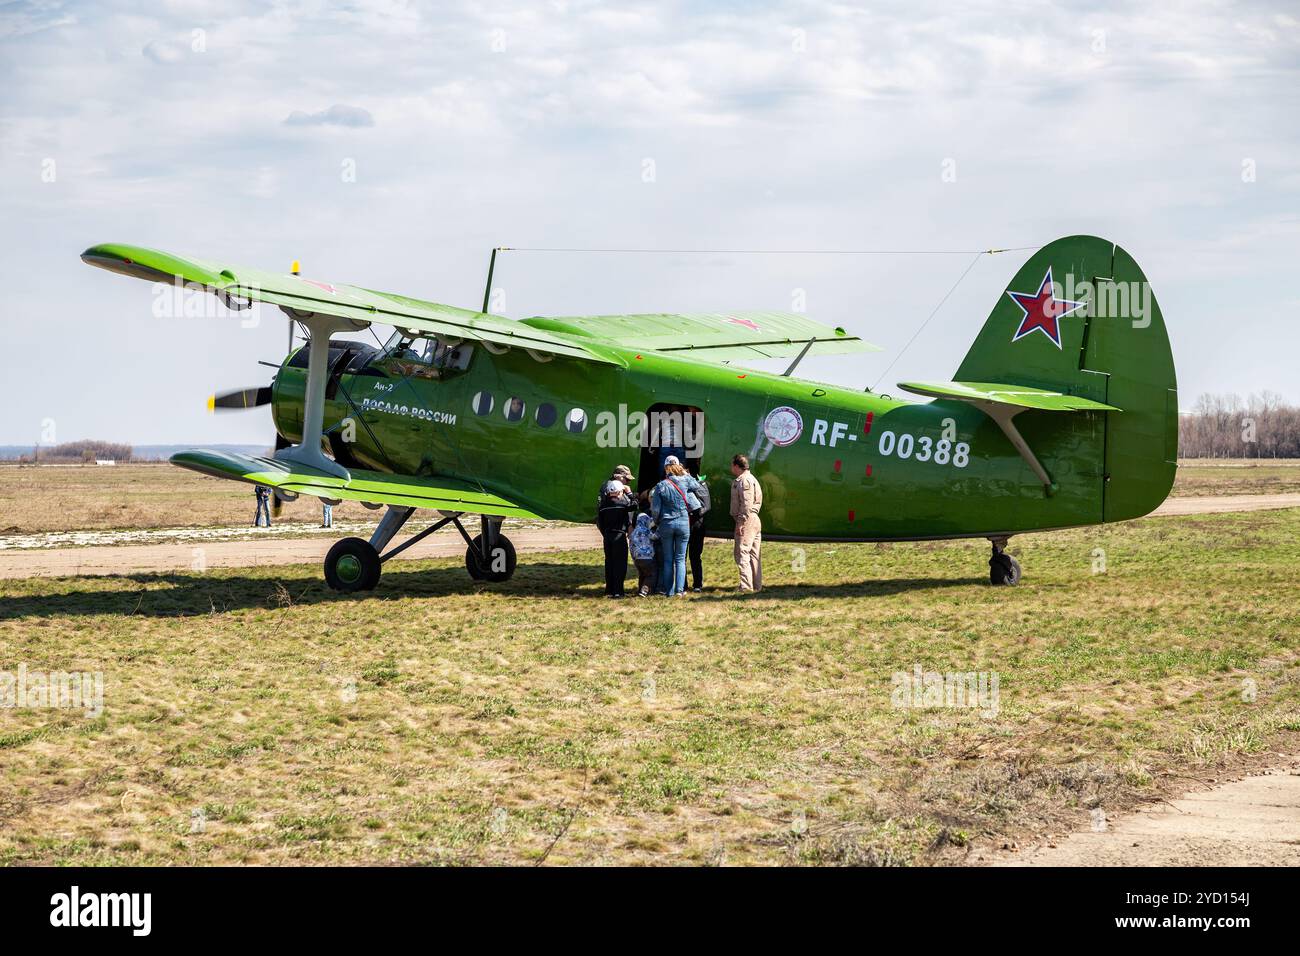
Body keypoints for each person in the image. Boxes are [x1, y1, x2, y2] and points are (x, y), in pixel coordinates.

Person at [651, 456, 704, 597]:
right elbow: (697, 485)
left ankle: (669, 591)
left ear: (665, 468)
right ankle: (680, 591)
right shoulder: (685, 480)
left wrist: (656, 522)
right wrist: (686, 474)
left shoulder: (661, 485)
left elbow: (655, 510)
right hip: (683, 522)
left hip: (667, 524)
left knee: (668, 559)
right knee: (680, 559)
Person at [596, 469, 636, 597]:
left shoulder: (603, 506)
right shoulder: (622, 504)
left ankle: (609, 589)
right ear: (619, 491)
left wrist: (605, 533)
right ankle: (619, 591)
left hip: (607, 536)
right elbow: (635, 505)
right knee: (620, 564)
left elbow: (600, 523)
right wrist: (630, 494)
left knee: (609, 562)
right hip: (619, 536)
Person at [730, 453, 763, 593]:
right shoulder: (752, 479)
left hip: (747, 519)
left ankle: (746, 586)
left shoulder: (744, 481)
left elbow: (746, 504)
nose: (731, 468)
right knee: (754, 554)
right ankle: (756, 585)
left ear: (737, 466)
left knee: (742, 552)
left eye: (732, 465)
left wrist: (741, 522)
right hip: (754, 519)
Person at [687, 474, 711, 592]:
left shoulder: (685, 485)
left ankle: (683, 585)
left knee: (681, 557)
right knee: (695, 556)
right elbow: (706, 506)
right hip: (698, 524)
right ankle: (697, 584)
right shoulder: (701, 484)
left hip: (688, 523)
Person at [629, 512, 658, 597]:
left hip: (637, 559)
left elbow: (631, 546)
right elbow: (654, 537)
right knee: (650, 575)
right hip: (647, 558)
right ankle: (644, 591)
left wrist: (634, 558)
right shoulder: (646, 530)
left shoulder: (633, 533)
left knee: (642, 575)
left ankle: (639, 590)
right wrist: (659, 532)